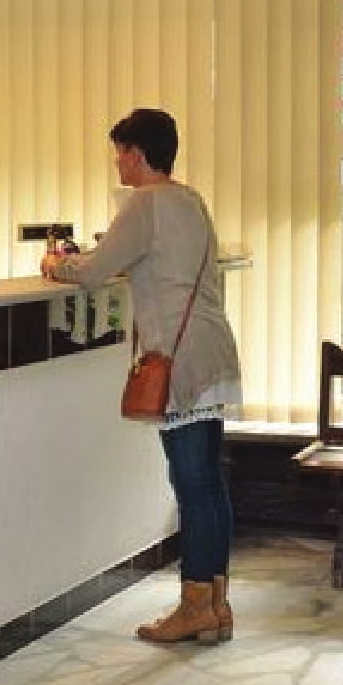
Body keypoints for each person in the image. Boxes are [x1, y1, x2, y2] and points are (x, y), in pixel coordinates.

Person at [42, 109, 243, 645]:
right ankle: (215, 604)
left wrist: (55, 264)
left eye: (120, 153)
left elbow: (92, 272)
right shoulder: (190, 199)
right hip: (210, 348)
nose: (117, 163)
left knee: (191, 483)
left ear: (136, 152)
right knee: (210, 483)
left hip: (178, 358)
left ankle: (195, 607)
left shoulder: (144, 203)